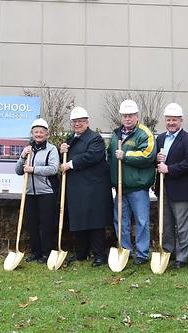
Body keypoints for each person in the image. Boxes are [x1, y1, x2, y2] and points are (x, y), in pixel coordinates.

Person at [59, 107, 113, 267]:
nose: (77, 124)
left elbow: (93, 156)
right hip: (77, 188)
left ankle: (99, 256)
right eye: (75, 122)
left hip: (94, 188)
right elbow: (65, 156)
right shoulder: (70, 139)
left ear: (87, 122)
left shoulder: (95, 138)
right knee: (78, 221)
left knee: (95, 223)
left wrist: (71, 163)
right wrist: (62, 149)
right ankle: (81, 253)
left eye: (80, 121)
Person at [107, 99, 156, 265]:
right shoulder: (116, 134)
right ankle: (125, 250)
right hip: (120, 187)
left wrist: (126, 155)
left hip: (137, 187)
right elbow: (109, 157)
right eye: (125, 116)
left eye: (131, 116)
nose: (127, 119)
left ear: (137, 116)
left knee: (142, 221)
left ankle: (142, 254)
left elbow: (148, 155)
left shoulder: (144, 133)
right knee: (120, 220)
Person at [155, 103, 188, 268]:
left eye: (174, 120)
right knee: (165, 223)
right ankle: (168, 251)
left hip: (181, 189)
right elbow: (157, 163)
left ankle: (182, 257)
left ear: (181, 120)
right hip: (164, 188)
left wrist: (169, 169)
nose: (171, 123)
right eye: (168, 120)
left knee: (182, 225)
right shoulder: (160, 138)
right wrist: (157, 160)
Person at [15, 118, 60, 263]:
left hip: (46, 192)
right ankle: (36, 252)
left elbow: (53, 169)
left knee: (46, 224)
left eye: (42, 132)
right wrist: (22, 157)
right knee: (32, 224)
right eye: (36, 132)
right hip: (30, 193)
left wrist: (33, 169)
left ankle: (46, 253)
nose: (39, 134)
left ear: (47, 134)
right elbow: (18, 171)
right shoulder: (27, 149)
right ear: (32, 134)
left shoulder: (52, 149)